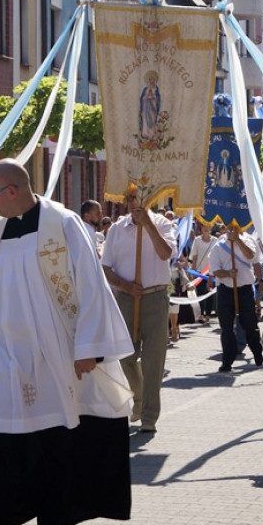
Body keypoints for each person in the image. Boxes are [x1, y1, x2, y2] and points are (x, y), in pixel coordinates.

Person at [0, 160, 134, 525]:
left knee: (52, 446)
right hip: (4, 355)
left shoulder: (64, 225)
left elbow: (91, 286)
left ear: (12, 190)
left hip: (55, 353)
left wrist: (88, 346)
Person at [101, 185, 177, 433]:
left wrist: (149, 226)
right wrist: (124, 285)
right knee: (126, 356)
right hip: (126, 298)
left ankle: (149, 417)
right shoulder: (116, 229)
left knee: (154, 361)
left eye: (140, 199)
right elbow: (106, 268)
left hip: (155, 299)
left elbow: (166, 253)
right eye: (131, 198)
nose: (135, 203)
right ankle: (139, 396)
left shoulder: (163, 224)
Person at [209, 227, 263, 373]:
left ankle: (257, 351)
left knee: (250, 325)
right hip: (226, 290)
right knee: (226, 328)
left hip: (244, 289)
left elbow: (252, 257)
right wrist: (227, 273)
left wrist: (238, 240)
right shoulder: (218, 246)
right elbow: (215, 270)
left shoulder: (249, 240)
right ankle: (227, 361)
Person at [188, 223, 218, 322]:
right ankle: (201, 314)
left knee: (210, 293)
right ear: (201, 228)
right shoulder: (197, 240)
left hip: (211, 272)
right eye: (204, 226)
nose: (206, 228)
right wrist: (193, 271)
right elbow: (195, 256)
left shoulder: (215, 240)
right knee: (200, 293)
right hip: (200, 272)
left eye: (208, 227)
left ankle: (208, 314)